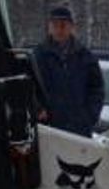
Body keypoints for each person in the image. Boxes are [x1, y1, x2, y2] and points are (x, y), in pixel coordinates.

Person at [30, 7, 104, 138]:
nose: (59, 30)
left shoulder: (85, 56)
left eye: (63, 25)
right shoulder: (38, 56)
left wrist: (89, 117)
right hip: (48, 128)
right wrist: (37, 108)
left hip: (79, 130)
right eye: (55, 25)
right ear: (49, 27)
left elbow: (96, 89)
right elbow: (29, 87)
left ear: (71, 27)